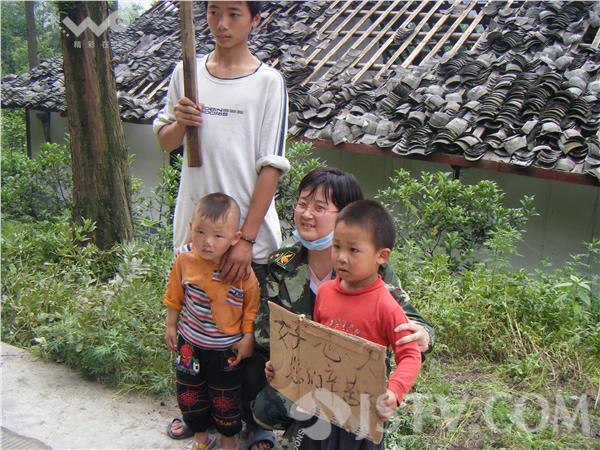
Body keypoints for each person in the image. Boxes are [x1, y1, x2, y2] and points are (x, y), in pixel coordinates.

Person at [153, 0, 289, 441]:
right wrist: (180, 123)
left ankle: (250, 424)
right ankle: (200, 417)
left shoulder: (268, 83)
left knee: (243, 338)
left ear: (255, 19)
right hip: (197, 235)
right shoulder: (187, 73)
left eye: (234, 13)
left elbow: (271, 165)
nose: (221, 23)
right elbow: (164, 140)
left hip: (246, 238)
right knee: (192, 330)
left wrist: (245, 239)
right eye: (214, 12)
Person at [245, 168, 435, 450]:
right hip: (309, 376)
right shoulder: (282, 264)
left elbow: (412, 326)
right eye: (302, 203)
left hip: (359, 389)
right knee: (266, 402)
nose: (306, 213)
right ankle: (294, 430)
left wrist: (423, 336)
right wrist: (285, 362)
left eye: (319, 207)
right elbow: (267, 329)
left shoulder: (371, 271)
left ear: (348, 215)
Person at [164, 193, 260, 450]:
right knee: (190, 395)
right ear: (190, 228)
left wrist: (247, 336)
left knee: (225, 398)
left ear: (235, 238)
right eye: (200, 232)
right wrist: (171, 325)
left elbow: (251, 305)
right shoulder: (184, 259)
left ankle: (229, 440)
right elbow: (174, 295)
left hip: (225, 349)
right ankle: (201, 438)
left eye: (218, 236)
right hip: (190, 344)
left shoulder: (240, 269)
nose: (207, 242)